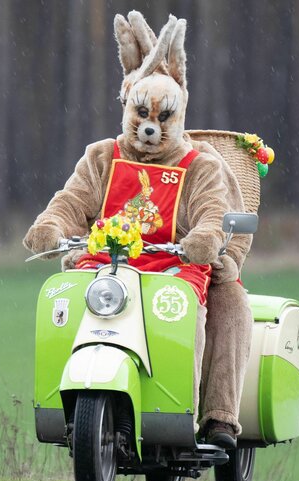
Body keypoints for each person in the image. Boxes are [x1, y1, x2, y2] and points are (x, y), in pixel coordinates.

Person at [22, 12, 253, 449]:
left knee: (229, 302)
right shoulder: (102, 157)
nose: (150, 127)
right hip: (107, 266)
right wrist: (51, 226)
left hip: (175, 268)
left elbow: (213, 211)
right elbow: (73, 201)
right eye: (141, 114)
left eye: (163, 117)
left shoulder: (200, 164)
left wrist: (204, 240)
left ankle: (218, 415)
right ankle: (66, 402)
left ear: (179, 113)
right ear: (127, 104)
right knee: (64, 300)